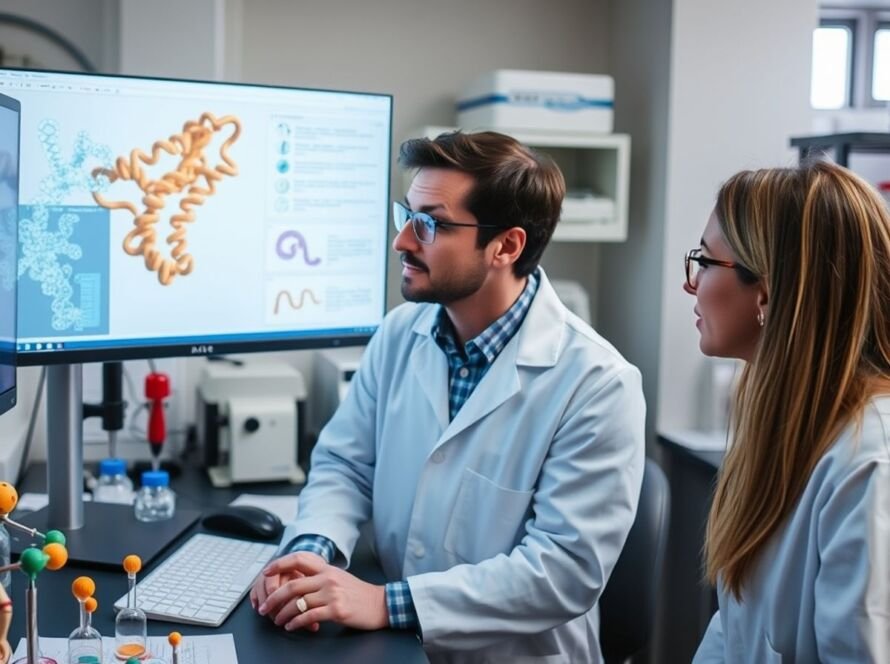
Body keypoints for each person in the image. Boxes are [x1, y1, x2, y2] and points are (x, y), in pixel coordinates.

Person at [250, 130, 646, 662]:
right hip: (397, 649)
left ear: (506, 246)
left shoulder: (597, 384)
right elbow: (346, 466)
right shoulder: (400, 333)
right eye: (406, 215)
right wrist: (310, 552)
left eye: (430, 224)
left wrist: (386, 603)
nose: (403, 241)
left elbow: (561, 572)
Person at [685, 160, 890, 663]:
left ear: (768, 291)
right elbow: (734, 631)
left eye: (706, 262)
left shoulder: (869, 465)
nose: (692, 284)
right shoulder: (789, 425)